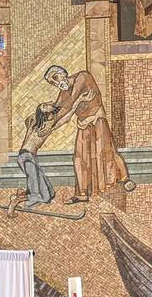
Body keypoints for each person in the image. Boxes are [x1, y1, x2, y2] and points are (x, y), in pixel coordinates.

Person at [41, 64, 133, 200]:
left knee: (106, 151)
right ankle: (82, 194)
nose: (56, 83)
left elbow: (70, 103)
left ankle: (125, 178)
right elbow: (59, 111)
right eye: (52, 82)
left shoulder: (82, 76)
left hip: (97, 119)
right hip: (83, 124)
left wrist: (63, 110)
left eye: (55, 78)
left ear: (63, 73)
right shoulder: (64, 92)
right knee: (79, 158)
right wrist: (48, 123)